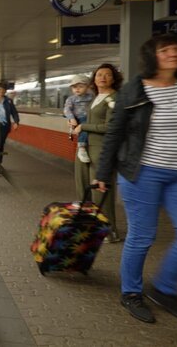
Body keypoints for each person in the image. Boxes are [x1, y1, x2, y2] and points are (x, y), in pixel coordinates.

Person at [96, 34, 177, 324]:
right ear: (151, 56)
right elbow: (115, 133)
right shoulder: (134, 90)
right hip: (141, 173)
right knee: (142, 236)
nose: (173, 54)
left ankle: (164, 288)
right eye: (165, 50)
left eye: (176, 49)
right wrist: (103, 174)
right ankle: (131, 292)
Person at [72, 64, 123, 242]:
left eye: (107, 75)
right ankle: (90, 226)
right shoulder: (95, 97)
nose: (103, 78)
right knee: (83, 186)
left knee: (101, 192)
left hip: (101, 150)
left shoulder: (114, 98)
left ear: (114, 78)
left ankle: (109, 231)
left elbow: (111, 127)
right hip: (85, 147)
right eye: (99, 74)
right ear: (94, 78)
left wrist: (83, 126)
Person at [64, 74, 95, 163]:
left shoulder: (91, 97)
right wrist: (71, 118)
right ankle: (81, 147)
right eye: (74, 87)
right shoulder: (71, 99)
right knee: (84, 129)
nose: (77, 89)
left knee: (86, 128)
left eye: (80, 86)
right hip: (78, 119)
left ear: (88, 87)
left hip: (90, 117)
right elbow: (67, 109)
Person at [0, 83, 19, 177]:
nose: (1, 93)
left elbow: (14, 113)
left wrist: (16, 122)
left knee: (0, 144)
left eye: (3, 91)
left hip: (4, 126)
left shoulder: (8, 101)